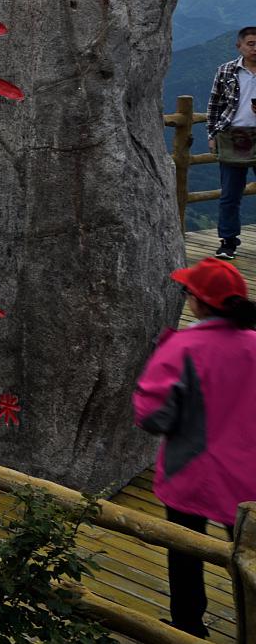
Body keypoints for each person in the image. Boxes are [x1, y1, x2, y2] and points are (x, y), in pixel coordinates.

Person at [132, 256, 256, 634]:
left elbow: (153, 418)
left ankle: (188, 627)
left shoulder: (184, 347)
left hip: (191, 471)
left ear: (198, 302)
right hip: (250, 478)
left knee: (185, 552)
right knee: (249, 557)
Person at [202, 27, 256, 258]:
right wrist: (211, 135)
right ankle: (228, 241)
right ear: (239, 46)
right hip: (232, 135)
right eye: (251, 44)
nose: (255, 48)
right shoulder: (226, 71)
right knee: (230, 194)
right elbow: (214, 105)